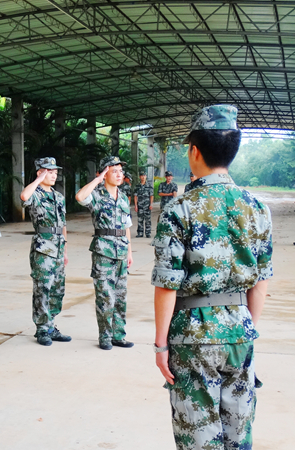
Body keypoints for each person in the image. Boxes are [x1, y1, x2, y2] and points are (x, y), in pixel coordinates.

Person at [151, 105, 272, 450]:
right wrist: (245, 325)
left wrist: (161, 345)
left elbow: (167, 283)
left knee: (198, 437)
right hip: (239, 332)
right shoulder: (256, 207)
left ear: (194, 151)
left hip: (193, 336)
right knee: (238, 433)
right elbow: (261, 281)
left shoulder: (179, 208)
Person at [75, 155, 134, 350]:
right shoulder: (96, 195)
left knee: (120, 296)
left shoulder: (124, 197)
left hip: (121, 252)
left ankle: (118, 335)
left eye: (120, 171)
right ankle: (105, 336)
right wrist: (97, 179)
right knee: (105, 296)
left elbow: (127, 227)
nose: (119, 174)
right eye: (114, 170)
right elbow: (80, 197)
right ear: (104, 173)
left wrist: (130, 253)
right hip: (103, 252)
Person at [20, 157, 71, 346]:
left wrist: (65, 250)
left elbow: (63, 224)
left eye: (55, 172)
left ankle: (51, 325)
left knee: (58, 290)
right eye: (49, 171)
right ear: (40, 172)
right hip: (43, 247)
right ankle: (41, 329)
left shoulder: (58, 196)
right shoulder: (36, 193)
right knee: (43, 289)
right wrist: (37, 181)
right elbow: (24, 197)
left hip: (58, 247)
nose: (53, 175)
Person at [134, 171, 154, 238]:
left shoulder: (149, 186)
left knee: (148, 220)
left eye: (144, 175)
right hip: (140, 205)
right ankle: (140, 233)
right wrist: (136, 205)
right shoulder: (137, 186)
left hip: (147, 205)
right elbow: (135, 196)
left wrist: (151, 204)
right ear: (140, 177)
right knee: (140, 220)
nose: (143, 177)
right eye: (141, 175)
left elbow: (151, 196)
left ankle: (148, 233)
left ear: (146, 176)